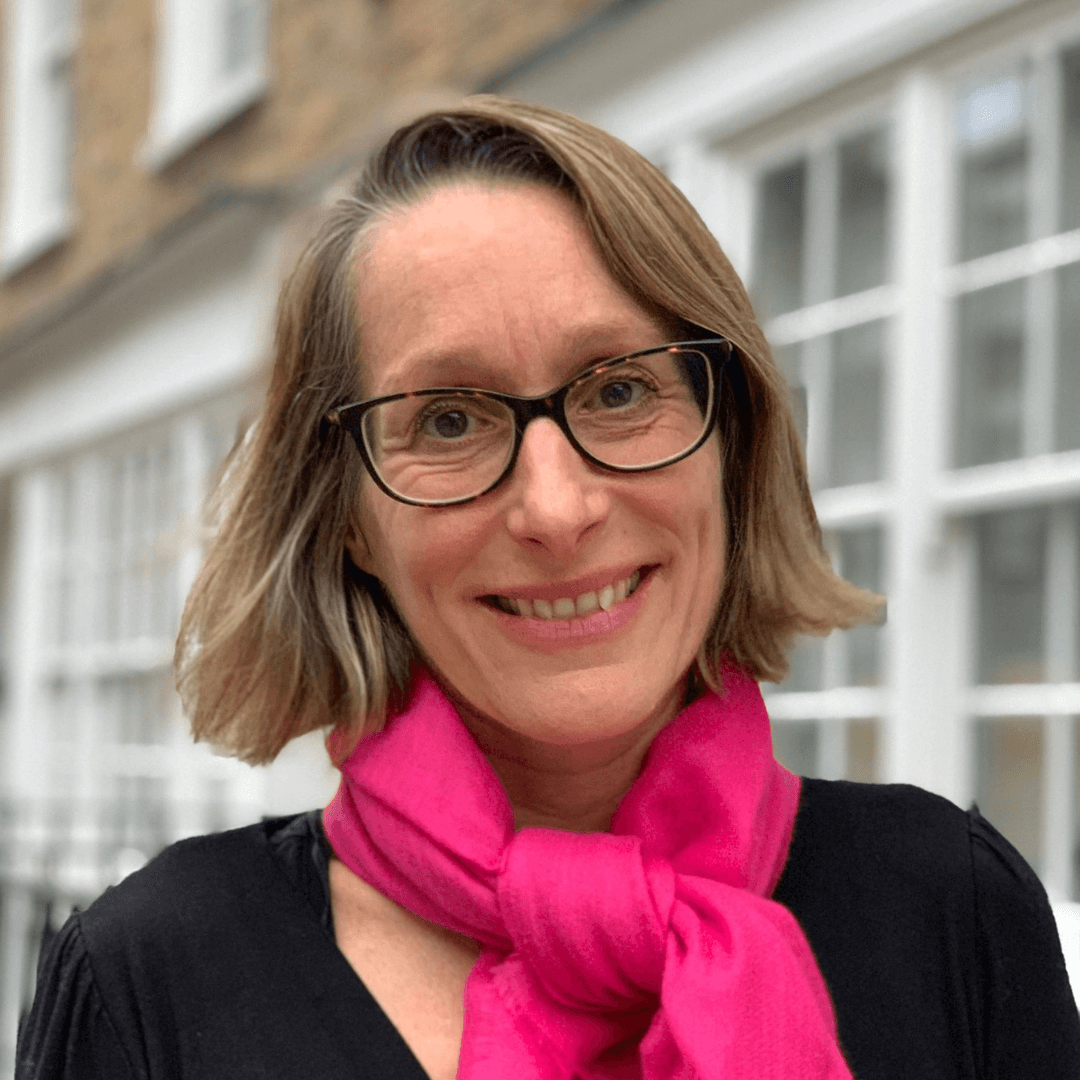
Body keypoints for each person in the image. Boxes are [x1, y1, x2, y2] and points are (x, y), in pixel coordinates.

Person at [16, 97, 1080, 1080]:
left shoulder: (952, 908)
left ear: (733, 442)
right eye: (447, 420)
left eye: (620, 390)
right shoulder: (147, 980)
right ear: (347, 517)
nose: (557, 509)